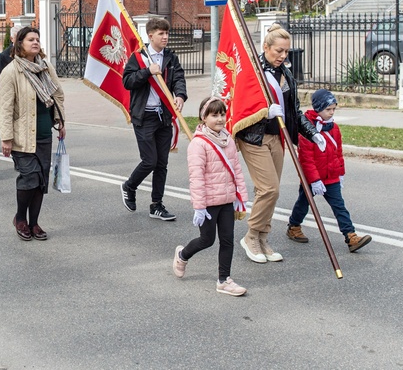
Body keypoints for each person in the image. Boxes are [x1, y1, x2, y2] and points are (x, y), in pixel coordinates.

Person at [236, 23, 321, 264]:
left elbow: (293, 110)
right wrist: (264, 112)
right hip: (254, 137)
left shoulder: (287, 73)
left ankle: (263, 238)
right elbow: (240, 102)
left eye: (286, 51)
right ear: (265, 47)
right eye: (278, 51)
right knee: (269, 188)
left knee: (270, 192)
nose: (283, 56)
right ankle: (251, 236)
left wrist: (311, 133)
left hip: (277, 137)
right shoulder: (253, 70)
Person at [172, 97, 249, 296]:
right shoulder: (198, 144)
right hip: (208, 203)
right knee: (207, 240)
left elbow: (237, 169)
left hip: (227, 200)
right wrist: (199, 206)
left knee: (228, 240)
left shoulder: (228, 139)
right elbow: (196, 178)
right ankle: (182, 255)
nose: (220, 119)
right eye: (214, 115)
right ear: (203, 117)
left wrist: (240, 194)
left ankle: (224, 280)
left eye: (222, 114)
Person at [0, 26, 65, 241]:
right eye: (30, 39)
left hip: (44, 132)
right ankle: (20, 218)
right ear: (20, 44)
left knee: (41, 181)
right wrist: (6, 138)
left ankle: (34, 223)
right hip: (21, 135)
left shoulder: (45, 67)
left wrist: (61, 121)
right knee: (30, 178)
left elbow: (58, 95)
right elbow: (4, 107)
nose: (35, 42)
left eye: (37, 39)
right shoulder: (11, 71)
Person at [286, 89, 372, 253]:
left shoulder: (334, 128)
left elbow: (338, 153)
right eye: (328, 109)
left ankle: (351, 236)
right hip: (312, 178)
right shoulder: (307, 129)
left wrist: (340, 174)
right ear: (318, 108)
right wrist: (314, 180)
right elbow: (306, 159)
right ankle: (294, 226)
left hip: (331, 176)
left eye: (334, 109)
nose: (331, 113)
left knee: (339, 207)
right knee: (303, 204)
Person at [120, 17, 187, 221]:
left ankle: (156, 205)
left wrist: (180, 96)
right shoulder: (139, 57)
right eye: (161, 33)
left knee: (162, 163)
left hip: (163, 116)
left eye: (167, 33)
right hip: (144, 116)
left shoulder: (171, 58)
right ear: (150, 36)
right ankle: (129, 186)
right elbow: (127, 81)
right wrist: (147, 71)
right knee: (150, 161)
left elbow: (179, 79)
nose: (165, 37)